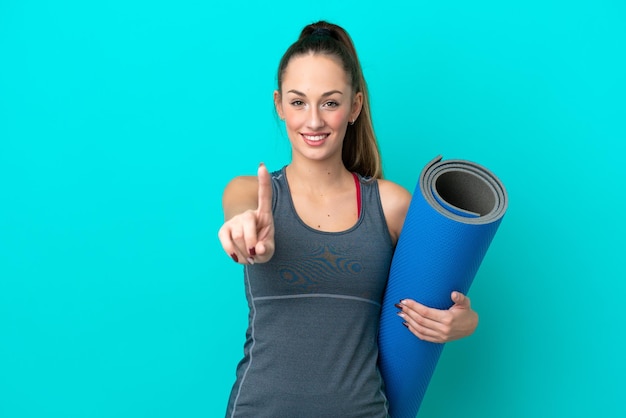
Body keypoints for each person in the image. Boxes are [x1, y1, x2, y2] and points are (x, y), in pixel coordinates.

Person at [217, 21, 478, 417]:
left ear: (354, 106)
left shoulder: (390, 205)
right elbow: (238, 214)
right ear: (279, 105)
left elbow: (444, 296)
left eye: (331, 102)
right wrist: (241, 228)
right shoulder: (251, 193)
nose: (314, 121)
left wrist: (465, 322)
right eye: (298, 102)